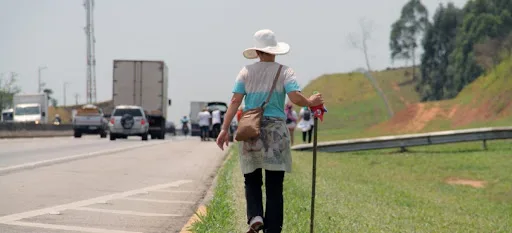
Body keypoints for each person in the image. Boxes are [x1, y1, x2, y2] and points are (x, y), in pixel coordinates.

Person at [215, 29, 324, 233]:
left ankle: (255, 216)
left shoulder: (245, 72)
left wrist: (224, 129)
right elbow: (294, 96)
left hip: (250, 129)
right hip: (275, 132)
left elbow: (234, 101)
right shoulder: (285, 72)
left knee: (251, 177)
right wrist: (310, 102)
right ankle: (272, 230)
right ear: (275, 51)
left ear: (257, 51)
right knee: (275, 185)